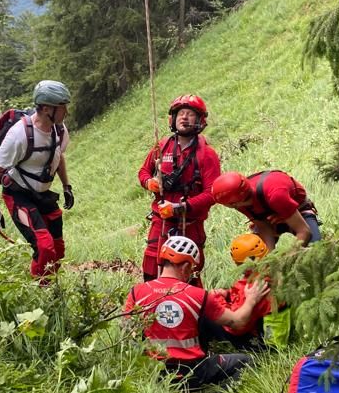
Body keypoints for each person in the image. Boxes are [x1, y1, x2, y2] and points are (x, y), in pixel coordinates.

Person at [124, 234, 269, 393]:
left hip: (154, 372)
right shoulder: (199, 296)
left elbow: (126, 332)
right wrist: (251, 300)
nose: (191, 272)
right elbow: (237, 321)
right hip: (193, 372)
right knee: (248, 361)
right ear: (185, 266)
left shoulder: (136, 293)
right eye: (192, 268)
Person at [0, 80, 73, 280]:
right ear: (45, 108)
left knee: (58, 250)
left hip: (43, 195)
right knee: (45, 247)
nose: (66, 112)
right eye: (62, 107)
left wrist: (67, 186)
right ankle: (39, 289)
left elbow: (58, 157)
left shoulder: (59, 130)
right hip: (19, 195)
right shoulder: (19, 134)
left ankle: (49, 284)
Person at [138, 94, 221, 281]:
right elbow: (143, 171)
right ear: (173, 119)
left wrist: (180, 208)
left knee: (188, 273)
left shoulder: (207, 155)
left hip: (189, 225)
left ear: (200, 120)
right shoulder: (162, 147)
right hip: (161, 223)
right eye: (181, 113)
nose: (184, 117)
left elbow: (212, 194)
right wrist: (148, 182)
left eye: (190, 114)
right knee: (152, 269)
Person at [211, 169, 321, 250]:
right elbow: (264, 228)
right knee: (254, 251)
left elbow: (304, 231)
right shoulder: (240, 202)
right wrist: (268, 261)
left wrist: (288, 259)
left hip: (298, 211)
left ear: (232, 203)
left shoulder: (275, 195)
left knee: (316, 250)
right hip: (270, 218)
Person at [200, 233, 274, 350]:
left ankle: (202, 349)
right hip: (273, 332)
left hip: (256, 343)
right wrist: (228, 293)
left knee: (204, 312)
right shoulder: (272, 274)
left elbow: (236, 327)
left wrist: (217, 298)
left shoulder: (249, 286)